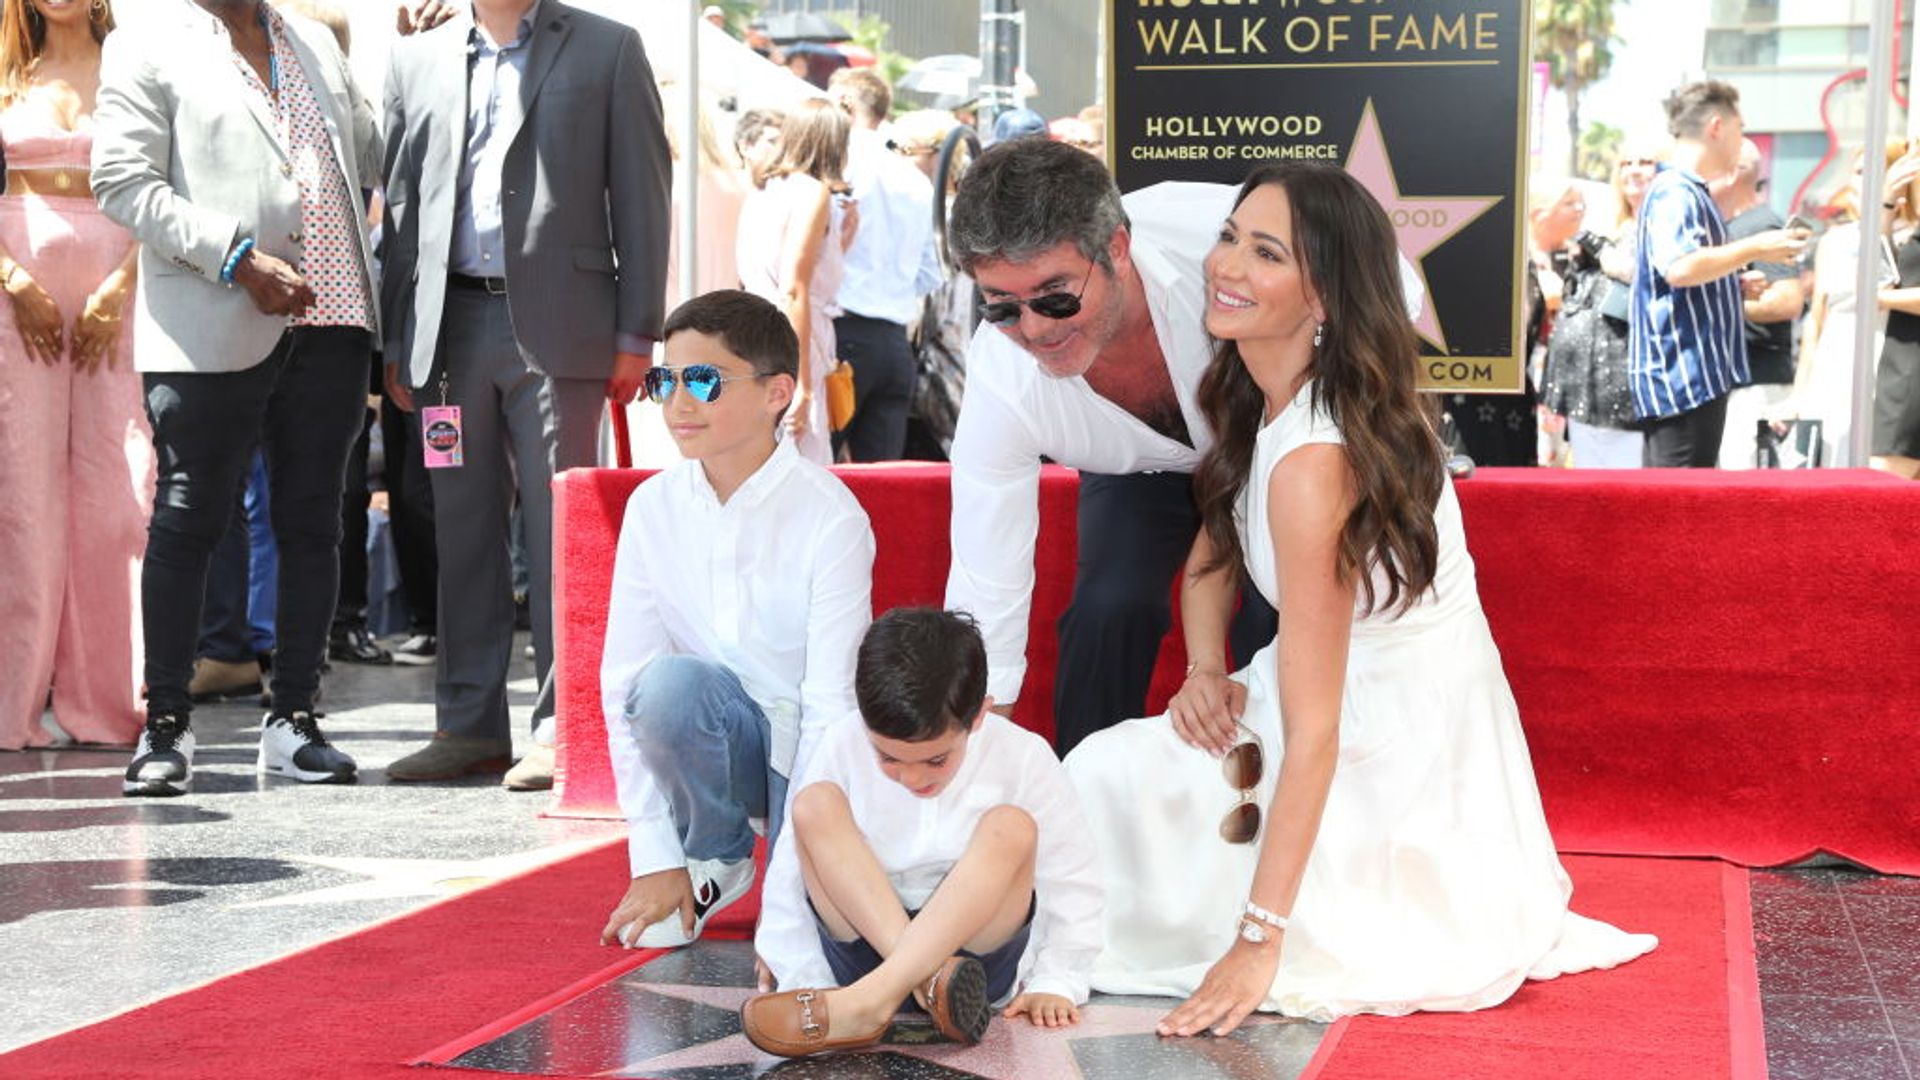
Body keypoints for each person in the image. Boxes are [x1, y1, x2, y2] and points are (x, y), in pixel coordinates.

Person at [1064, 162, 1658, 1034]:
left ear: (1325, 301)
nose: (1226, 265)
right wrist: (1202, 669)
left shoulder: (1315, 462)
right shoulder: (1259, 395)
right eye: (1231, 236)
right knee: (1096, 786)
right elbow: (1209, 562)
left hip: (1388, 745)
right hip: (1317, 696)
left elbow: (1319, 731)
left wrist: (1260, 938)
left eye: (1266, 253)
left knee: (1101, 804)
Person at [944, 139, 1418, 754]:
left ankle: (1276, 781)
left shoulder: (1214, 241)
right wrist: (978, 748)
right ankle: (1087, 791)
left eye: (1055, 297)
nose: (1034, 330)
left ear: (1116, 248)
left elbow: (1391, 289)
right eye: (1003, 307)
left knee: (1271, 611)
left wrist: (1339, 417)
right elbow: (988, 569)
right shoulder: (1000, 372)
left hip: (1266, 452)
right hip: (1136, 475)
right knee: (1108, 607)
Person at [378, 0, 670, 790]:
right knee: (461, 530)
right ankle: (467, 725)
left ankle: (559, 727)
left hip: (563, 327)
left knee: (562, 534)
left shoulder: (609, 48)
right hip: (448, 330)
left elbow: (642, 194)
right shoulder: (416, 59)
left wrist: (638, 333)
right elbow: (400, 207)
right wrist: (399, 336)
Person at [95, 0, 382, 794]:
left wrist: (395, 73)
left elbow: (366, 160)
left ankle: (294, 719)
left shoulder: (316, 42)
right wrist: (237, 261)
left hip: (335, 318)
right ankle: (167, 727)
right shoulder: (146, 43)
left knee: (313, 523)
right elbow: (121, 183)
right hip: (213, 315)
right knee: (188, 520)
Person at [598, 289, 874, 952]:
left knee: (825, 942)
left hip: (817, 762)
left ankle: (790, 866)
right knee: (665, 687)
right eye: (666, 380)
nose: (677, 404)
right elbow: (625, 683)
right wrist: (655, 857)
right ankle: (715, 853)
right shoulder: (652, 507)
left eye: (703, 381)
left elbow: (830, 707)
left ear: (778, 392)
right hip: (721, 739)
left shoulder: (830, 516)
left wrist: (792, 884)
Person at [742, 607, 1102, 1057]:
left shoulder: (1024, 754)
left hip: (975, 963)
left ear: (978, 716)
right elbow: (790, 871)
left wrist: (1058, 978)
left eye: (935, 761)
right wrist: (800, 971)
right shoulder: (841, 739)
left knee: (1010, 829)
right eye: (888, 758)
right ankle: (911, 986)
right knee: (814, 804)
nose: (911, 778)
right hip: (864, 947)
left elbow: (1073, 877)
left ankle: (870, 1001)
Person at [0, 0, 152, 751]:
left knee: (119, 496)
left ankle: (108, 707)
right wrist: (11, 277)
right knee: (22, 499)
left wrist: (123, 284)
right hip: (12, 287)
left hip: (118, 290)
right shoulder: (3, 63)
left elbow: (164, 181)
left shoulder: (134, 63)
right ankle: (13, 707)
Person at [1629, 80, 1805, 468]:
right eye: (1740, 129)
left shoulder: (1685, 190)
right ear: (1716, 127)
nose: (1742, 141)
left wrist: (1730, 283)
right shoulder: (1676, 190)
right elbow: (1679, 268)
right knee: (1678, 515)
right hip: (1683, 382)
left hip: (1691, 381)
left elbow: (1680, 272)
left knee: (1681, 512)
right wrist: (1757, 247)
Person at [827, 67, 942, 463]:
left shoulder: (837, 164)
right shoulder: (913, 179)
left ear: (844, 103)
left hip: (842, 333)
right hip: (893, 342)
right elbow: (930, 274)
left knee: (810, 475)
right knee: (884, 487)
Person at [736, 96, 854, 465]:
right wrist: (801, 383)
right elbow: (793, 289)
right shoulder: (809, 192)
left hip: (754, 335)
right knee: (803, 469)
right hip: (794, 339)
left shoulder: (763, 189)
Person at [1789, 142, 1915, 468]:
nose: (1863, 181)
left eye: (1875, 172)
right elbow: (1816, 321)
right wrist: (1799, 392)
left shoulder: (1907, 238)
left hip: (1884, 363)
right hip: (1833, 366)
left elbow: (1885, 287)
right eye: (1858, 173)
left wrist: (1885, 213)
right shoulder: (1834, 240)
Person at [1544, 152, 1659, 468]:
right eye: (1625, 163)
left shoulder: (1667, 223)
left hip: (1631, 385)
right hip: (1582, 382)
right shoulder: (1603, 224)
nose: (1633, 170)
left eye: (1644, 161)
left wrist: (1621, 266)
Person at [1710, 138, 1807, 469]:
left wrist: (1714, 307)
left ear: (1734, 172)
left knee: (1744, 501)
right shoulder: (1733, 227)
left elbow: (1786, 300)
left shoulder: (1762, 225)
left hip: (1758, 386)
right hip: (1737, 386)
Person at [1873, 144, 1920, 478]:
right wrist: (1886, 204)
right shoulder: (1911, 231)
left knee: (1886, 487)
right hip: (1902, 365)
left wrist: (1882, 299)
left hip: (1910, 374)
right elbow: (1878, 272)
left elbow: (1878, 290)